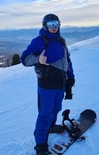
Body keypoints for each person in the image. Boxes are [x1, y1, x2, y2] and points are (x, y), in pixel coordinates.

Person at [21, 14, 75, 155]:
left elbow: (67, 60)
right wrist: (38, 58)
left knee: (56, 108)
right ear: (45, 25)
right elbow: (24, 58)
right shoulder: (39, 41)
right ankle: (40, 146)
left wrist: (71, 77)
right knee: (44, 114)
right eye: (51, 24)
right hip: (46, 86)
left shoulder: (61, 41)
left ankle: (51, 127)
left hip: (60, 83)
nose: (54, 27)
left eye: (56, 24)